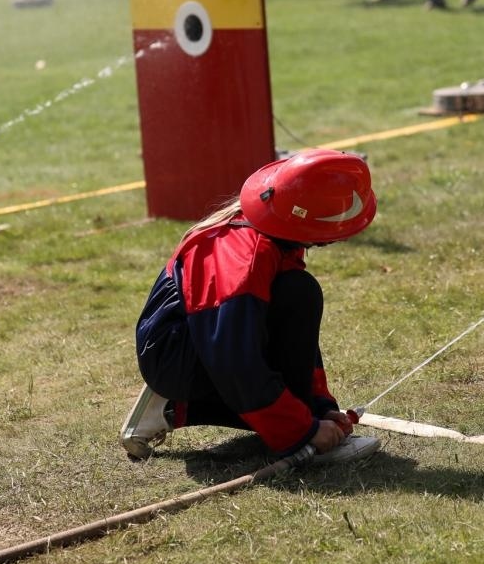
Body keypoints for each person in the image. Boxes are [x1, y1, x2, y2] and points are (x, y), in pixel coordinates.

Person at [119, 149, 381, 464]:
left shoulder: (275, 234)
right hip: (179, 358)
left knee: (296, 294)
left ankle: (173, 408)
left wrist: (321, 406)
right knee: (301, 293)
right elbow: (233, 359)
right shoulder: (245, 257)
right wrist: (304, 432)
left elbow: (291, 339)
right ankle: (292, 434)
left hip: (194, 350)